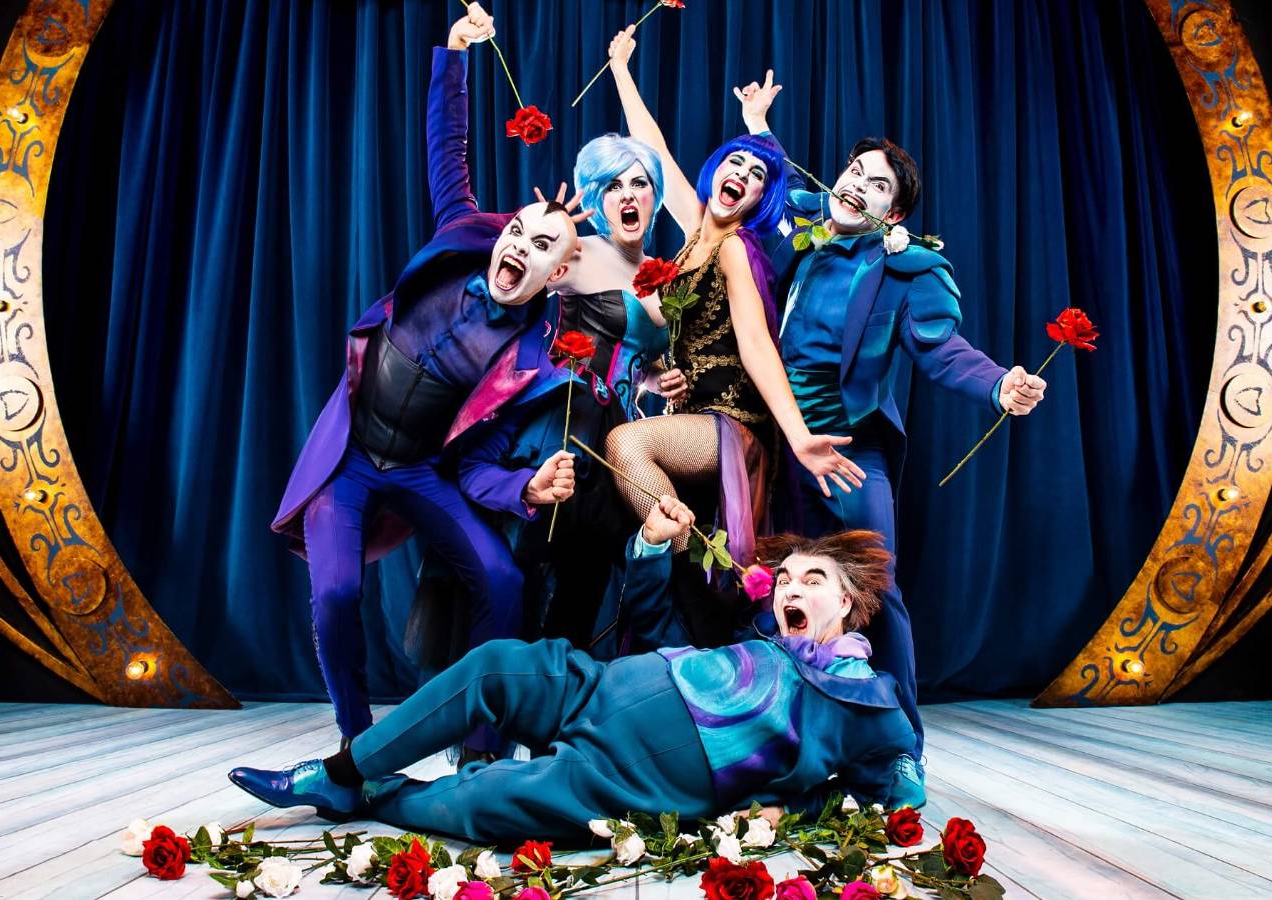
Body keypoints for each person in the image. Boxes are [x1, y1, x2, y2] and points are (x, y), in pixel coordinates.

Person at [269, 4, 583, 749]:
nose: (520, 245)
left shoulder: (533, 362)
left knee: (503, 582)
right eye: (518, 230)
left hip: (419, 473)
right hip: (349, 461)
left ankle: (479, 748)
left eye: (542, 245)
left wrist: (527, 487)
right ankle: (357, 746)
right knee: (337, 591)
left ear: (556, 274)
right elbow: (449, 148)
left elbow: (475, 467)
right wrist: (455, 52)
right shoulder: (458, 238)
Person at [228, 524, 925, 843]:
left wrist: (789, 810)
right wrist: (652, 546)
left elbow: (899, 792)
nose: (790, 590)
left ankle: (373, 796)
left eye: (813, 581)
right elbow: (651, 625)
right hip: (595, 686)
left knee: (489, 799)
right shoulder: (758, 648)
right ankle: (340, 771)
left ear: (848, 603)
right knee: (495, 664)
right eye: (786, 579)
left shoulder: (867, 698)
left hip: (633, 777)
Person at [730, 74, 1047, 757]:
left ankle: (901, 741)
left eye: (876, 185)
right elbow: (785, 180)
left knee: (875, 583)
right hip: (781, 448)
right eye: (854, 172)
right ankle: (784, 729)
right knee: (778, 588)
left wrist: (1000, 385)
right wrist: (757, 124)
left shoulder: (909, 270)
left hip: (851, 452)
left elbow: (942, 349)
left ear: (894, 214)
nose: (856, 186)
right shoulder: (811, 224)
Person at [597, 26, 865, 577]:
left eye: (755, 174)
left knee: (624, 444)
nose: (740, 174)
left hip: (733, 424)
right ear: (714, 171)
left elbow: (757, 346)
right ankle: (692, 574)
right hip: (692, 418)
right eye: (734, 163)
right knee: (681, 561)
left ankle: (684, 558)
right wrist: (621, 69)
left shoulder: (736, 249)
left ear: (761, 197)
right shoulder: (694, 231)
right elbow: (653, 148)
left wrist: (798, 438)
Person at [456, 135, 670, 645]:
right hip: (562, 421)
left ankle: (556, 686)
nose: (627, 194)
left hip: (618, 438)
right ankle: (503, 678)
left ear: (654, 195)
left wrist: (659, 378)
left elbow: (642, 360)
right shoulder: (578, 252)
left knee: (585, 579)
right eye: (612, 185)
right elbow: (511, 285)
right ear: (597, 197)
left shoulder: (661, 275)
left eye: (639, 182)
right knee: (525, 563)